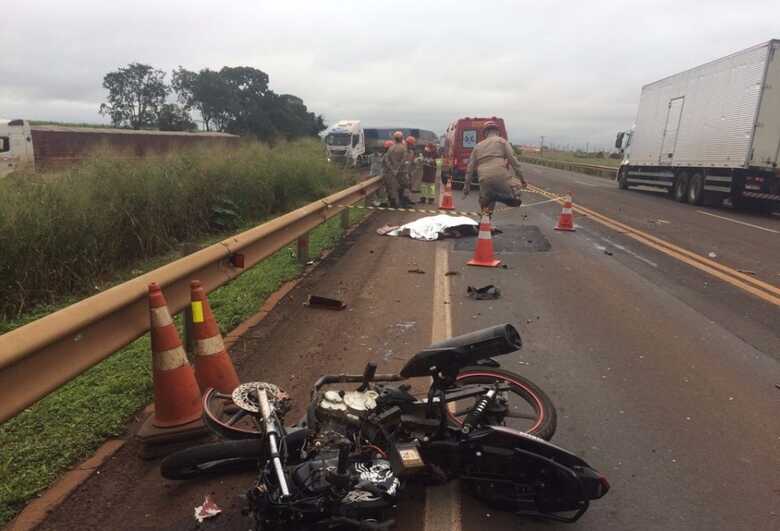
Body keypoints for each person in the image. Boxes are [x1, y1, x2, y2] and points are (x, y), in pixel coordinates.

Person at [463, 121, 527, 214]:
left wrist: (466, 187)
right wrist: (522, 180)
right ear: (497, 131)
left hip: (483, 178)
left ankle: (485, 219)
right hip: (500, 175)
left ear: (485, 133)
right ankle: (501, 197)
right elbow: (514, 162)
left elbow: (469, 169)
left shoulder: (477, 146)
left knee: (485, 204)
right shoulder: (502, 141)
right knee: (516, 187)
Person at [382, 131, 410, 207]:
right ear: (401, 138)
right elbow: (404, 160)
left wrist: (393, 169)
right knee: (405, 186)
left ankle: (394, 203)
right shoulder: (403, 148)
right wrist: (397, 169)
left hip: (392, 172)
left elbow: (387, 160)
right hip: (402, 171)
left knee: (392, 187)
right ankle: (403, 203)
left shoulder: (391, 148)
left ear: (394, 138)